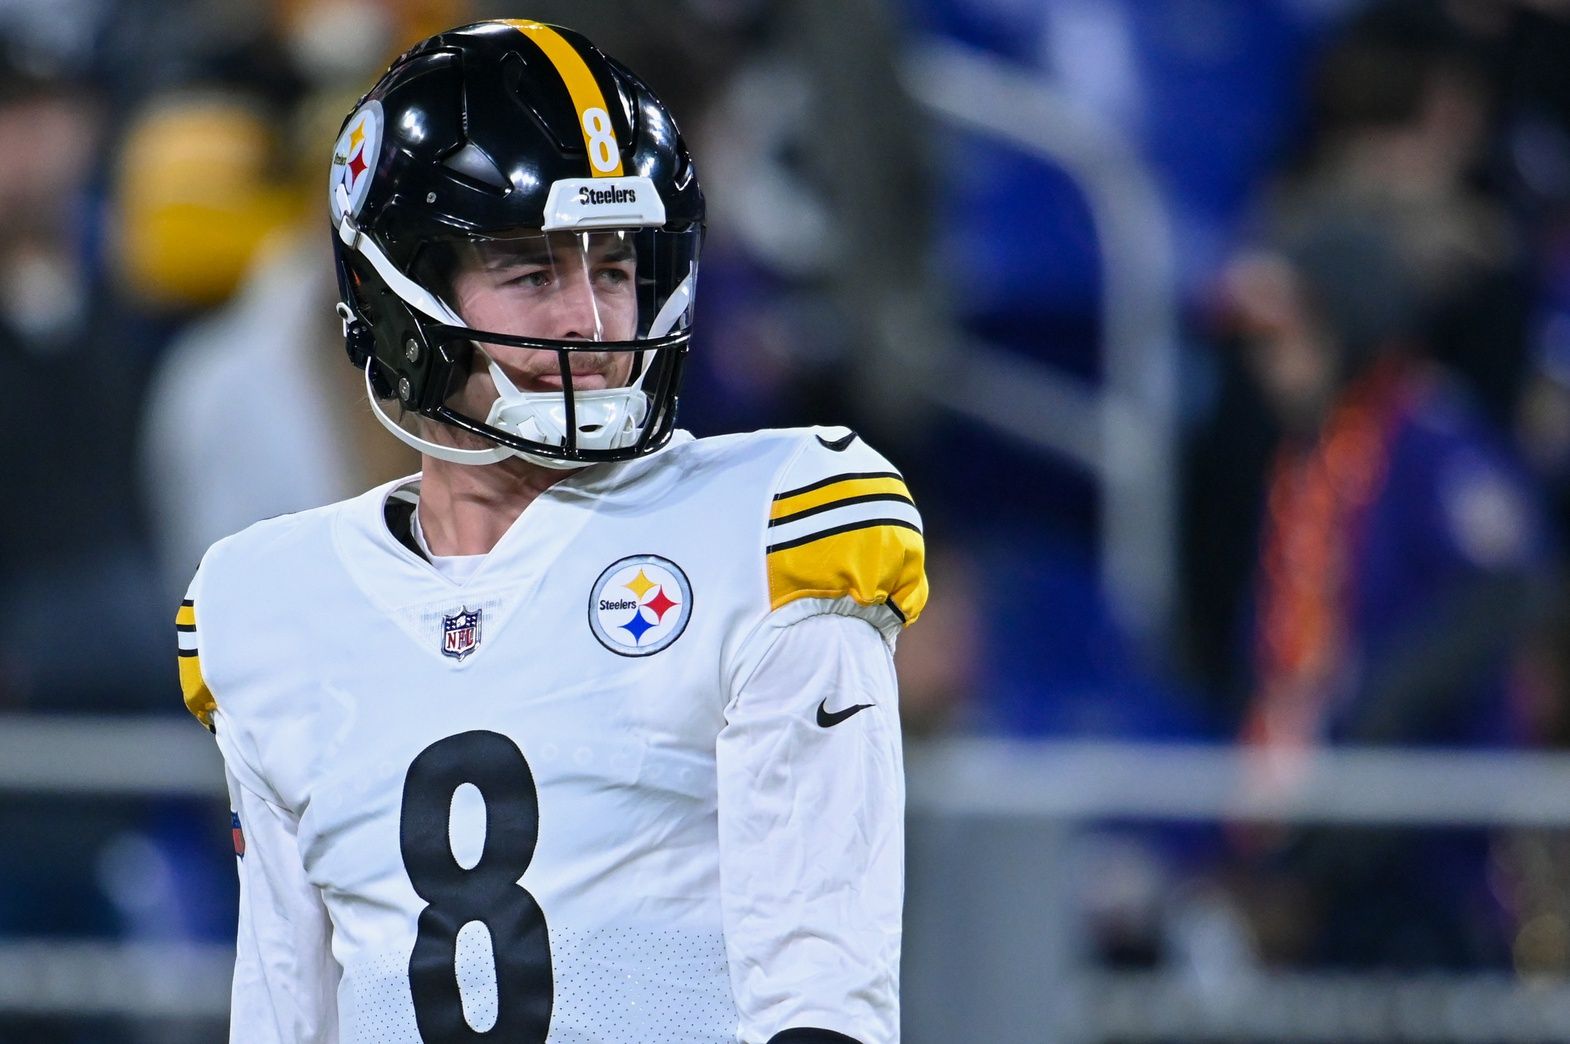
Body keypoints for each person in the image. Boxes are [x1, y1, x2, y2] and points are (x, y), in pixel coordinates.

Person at [174, 20, 925, 1044]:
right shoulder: (268, 603)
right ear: (399, 299)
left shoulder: (769, 523)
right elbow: (281, 1014)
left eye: (614, 268)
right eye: (531, 272)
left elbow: (823, 995)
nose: (589, 319)